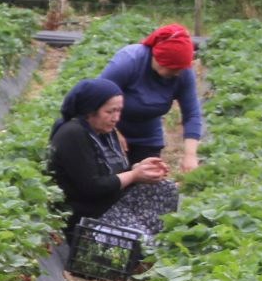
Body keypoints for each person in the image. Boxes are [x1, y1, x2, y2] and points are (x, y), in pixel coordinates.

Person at [47, 77, 178, 238]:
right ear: (90, 110)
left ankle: (156, 239)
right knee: (141, 240)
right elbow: (92, 187)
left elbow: (114, 173)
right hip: (90, 215)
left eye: (119, 111)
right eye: (109, 112)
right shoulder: (73, 134)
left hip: (112, 204)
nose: (116, 118)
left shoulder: (104, 131)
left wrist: (138, 169)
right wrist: (133, 175)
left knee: (166, 188)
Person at [98, 24, 203, 171]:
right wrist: (112, 133)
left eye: (181, 69)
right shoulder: (129, 61)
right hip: (106, 131)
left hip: (147, 136)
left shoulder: (183, 73)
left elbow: (192, 114)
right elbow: (96, 98)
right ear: (159, 58)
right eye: (173, 68)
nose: (178, 73)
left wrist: (190, 155)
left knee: (147, 178)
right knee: (112, 179)